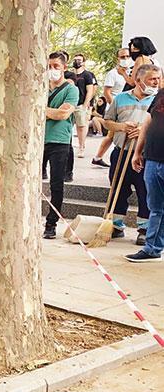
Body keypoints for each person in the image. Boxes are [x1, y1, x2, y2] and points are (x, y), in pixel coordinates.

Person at [103, 64, 161, 245]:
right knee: (118, 189)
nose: (156, 82)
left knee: (145, 192)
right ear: (138, 80)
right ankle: (116, 225)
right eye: (152, 79)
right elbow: (107, 122)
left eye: (158, 79)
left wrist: (144, 130)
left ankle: (144, 228)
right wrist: (122, 127)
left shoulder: (159, 101)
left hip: (145, 155)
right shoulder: (120, 98)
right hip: (121, 151)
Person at [43, 52, 80, 239]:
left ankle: (51, 223)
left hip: (60, 141)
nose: (52, 70)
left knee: (56, 184)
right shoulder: (41, 88)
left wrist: (39, 109)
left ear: (64, 67)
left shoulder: (71, 90)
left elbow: (63, 114)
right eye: (49, 66)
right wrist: (51, 111)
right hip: (38, 141)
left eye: (56, 66)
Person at [128, 87, 164, 262]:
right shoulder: (161, 94)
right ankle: (152, 248)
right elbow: (148, 123)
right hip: (153, 159)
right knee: (156, 207)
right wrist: (138, 151)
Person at [92, 48, 133, 168]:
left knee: (111, 135)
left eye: (127, 56)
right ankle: (98, 157)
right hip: (116, 107)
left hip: (128, 108)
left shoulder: (132, 72)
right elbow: (107, 92)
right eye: (122, 57)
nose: (125, 59)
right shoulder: (113, 73)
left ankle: (98, 157)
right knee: (111, 134)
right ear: (117, 58)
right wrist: (116, 107)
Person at [71, 54, 97, 159]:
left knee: (81, 126)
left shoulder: (88, 75)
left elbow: (91, 90)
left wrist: (86, 104)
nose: (77, 62)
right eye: (75, 60)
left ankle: (82, 147)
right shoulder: (70, 74)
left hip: (82, 104)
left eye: (79, 60)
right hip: (71, 104)